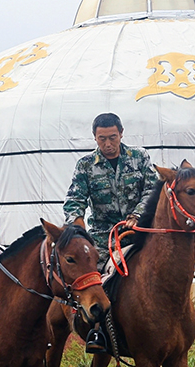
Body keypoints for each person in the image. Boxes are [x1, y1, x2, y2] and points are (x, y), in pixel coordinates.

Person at [64, 112, 159, 271]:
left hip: (140, 233)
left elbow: (153, 190)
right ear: (94, 136)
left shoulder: (139, 157)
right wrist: (77, 228)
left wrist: (137, 215)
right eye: (102, 139)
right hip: (104, 239)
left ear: (121, 133)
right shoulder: (85, 166)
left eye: (112, 137)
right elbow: (74, 200)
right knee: (90, 278)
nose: (108, 144)